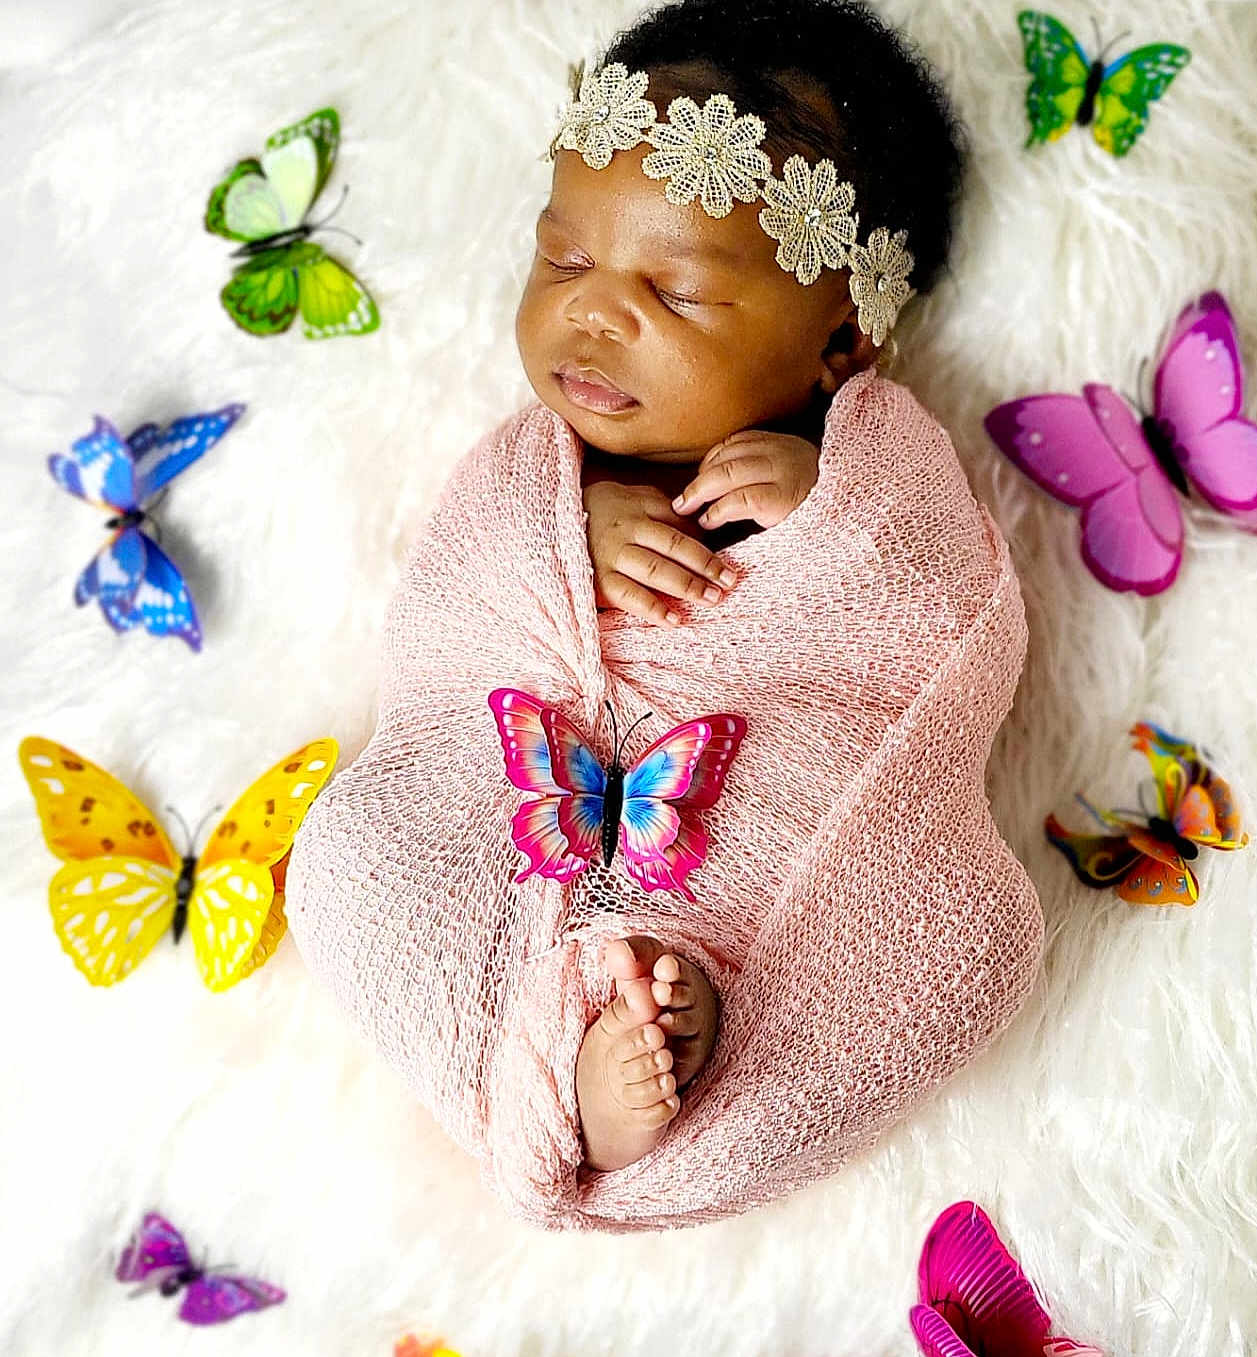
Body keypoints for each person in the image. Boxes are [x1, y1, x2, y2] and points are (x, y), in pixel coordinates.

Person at [286, 0, 1045, 1231]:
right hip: (511, 820)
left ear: (841, 343)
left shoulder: (873, 479)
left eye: (677, 292)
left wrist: (830, 513)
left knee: (971, 947)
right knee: (348, 861)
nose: (593, 316)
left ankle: (666, 1035)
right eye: (564, 261)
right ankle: (551, 1065)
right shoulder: (531, 475)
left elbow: (942, 622)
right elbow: (450, 617)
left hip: (752, 875)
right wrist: (565, 540)